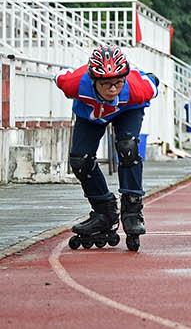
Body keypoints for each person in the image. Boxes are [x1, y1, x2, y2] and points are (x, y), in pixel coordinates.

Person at [56, 46, 159, 251]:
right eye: (106, 84)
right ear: (93, 80)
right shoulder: (74, 84)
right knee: (80, 161)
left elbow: (154, 82)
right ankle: (104, 212)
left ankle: (132, 210)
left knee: (128, 148)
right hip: (91, 114)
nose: (113, 89)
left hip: (127, 110)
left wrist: (141, 79)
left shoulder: (137, 88)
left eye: (118, 82)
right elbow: (60, 75)